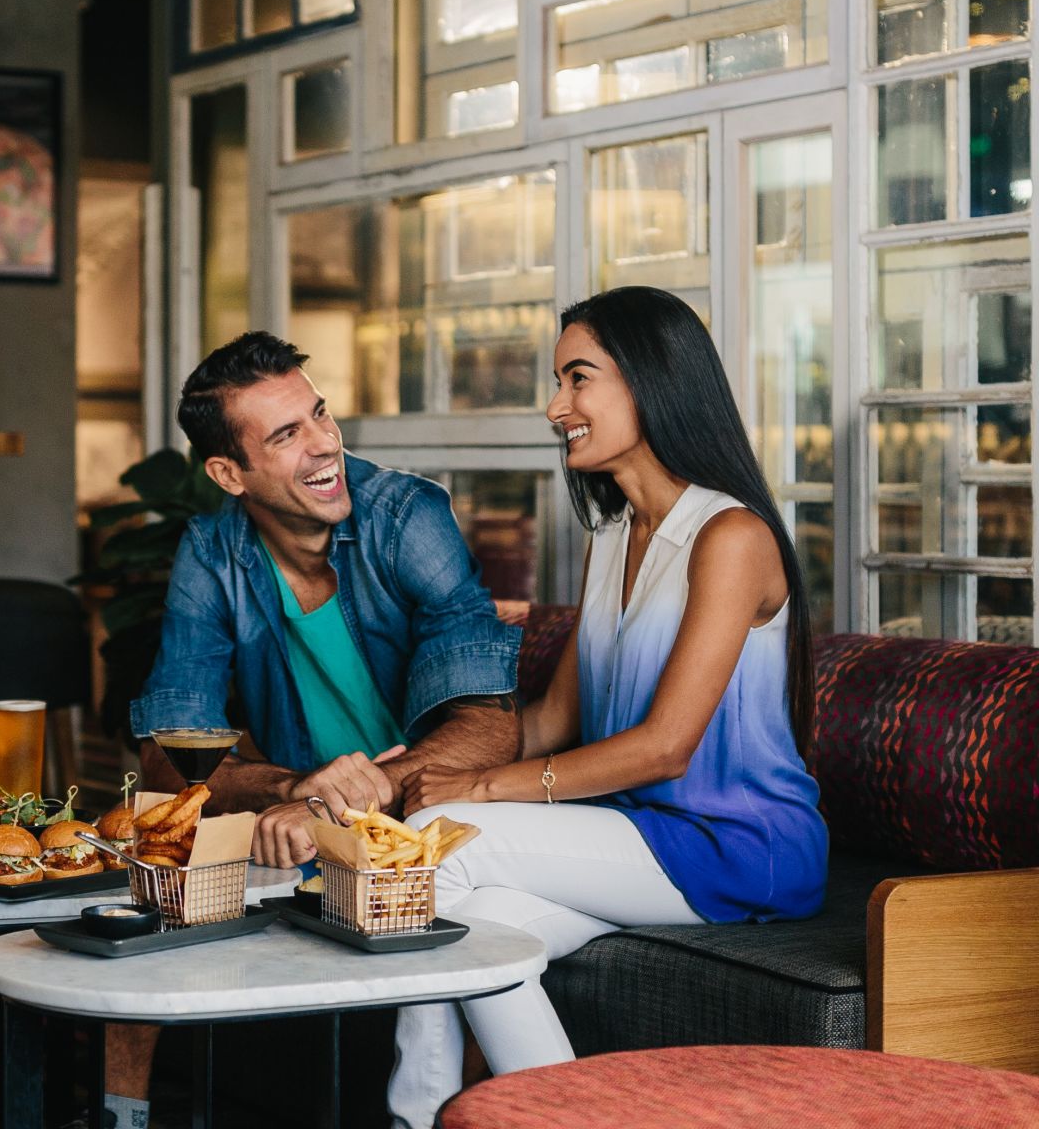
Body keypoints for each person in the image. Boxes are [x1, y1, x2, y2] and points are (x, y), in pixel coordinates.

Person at [387, 285, 828, 1127]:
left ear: (651, 379)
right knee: (477, 927)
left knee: (435, 854)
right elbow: (552, 723)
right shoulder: (612, 538)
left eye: (577, 379)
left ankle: (416, 1118)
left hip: (737, 845)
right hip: (641, 834)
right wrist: (418, 768)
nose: (557, 408)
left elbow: (665, 748)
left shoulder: (731, 537)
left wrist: (472, 794)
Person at [115, 331, 523, 1127]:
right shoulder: (212, 553)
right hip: (296, 824)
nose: (324, 444)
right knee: (149, 861)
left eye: (319, 414)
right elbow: (168, 756)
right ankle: (118, 1116)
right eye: (286, 434)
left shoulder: (409, 517)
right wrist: (293, 790)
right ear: (229, 474)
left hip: (423, 813)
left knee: (460, 875)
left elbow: (490, 727)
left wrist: (351, 798)